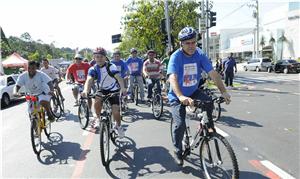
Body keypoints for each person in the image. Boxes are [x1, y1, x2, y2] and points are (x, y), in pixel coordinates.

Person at [167, 27, 231, 166]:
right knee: (180, 124)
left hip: (193, 91)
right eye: (187, 43)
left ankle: (209, 131)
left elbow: (213, 73)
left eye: (193, 42)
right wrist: (180, 96)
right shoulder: (176, 57)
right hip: (177, 95)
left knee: (208, 101)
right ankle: (177, 150)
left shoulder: (200, 54)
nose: (191, 46)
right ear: (181, 44)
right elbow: (172, 77)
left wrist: (223, 91)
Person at [81, 47, 126, 137]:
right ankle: (97, 118)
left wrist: (123, 88)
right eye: (97, 57)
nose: (99, 58)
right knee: (97, 100)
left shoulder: (111, 66)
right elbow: (89, 80)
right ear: (94, 58)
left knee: (115, 111)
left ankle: (119, 126)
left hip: (113, 89)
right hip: (102, 89)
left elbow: (118, 77)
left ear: (105, 57)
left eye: (101, 56)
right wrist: (86, 90)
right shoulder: (93, 69)